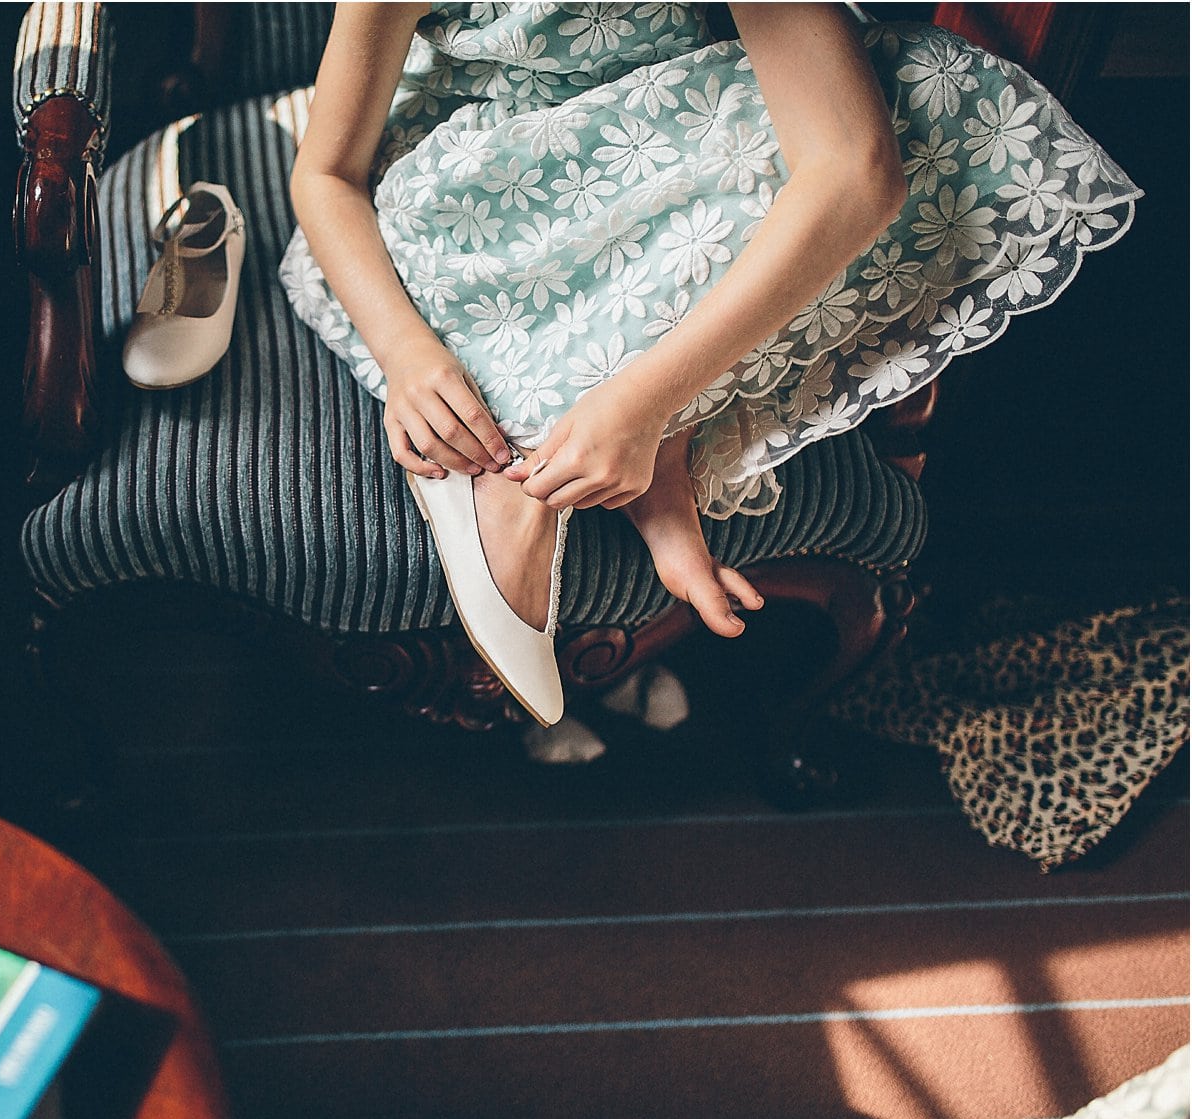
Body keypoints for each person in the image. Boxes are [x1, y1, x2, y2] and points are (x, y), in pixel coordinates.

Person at [281, 2, 1138, 726]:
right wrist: (406, 351)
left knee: (926, 107)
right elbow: (325, 173)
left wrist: (648, 401)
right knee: (731, 156)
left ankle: (653, 435)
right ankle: (511, 461)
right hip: (472, 208)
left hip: (661, 179)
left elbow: (854, 169)